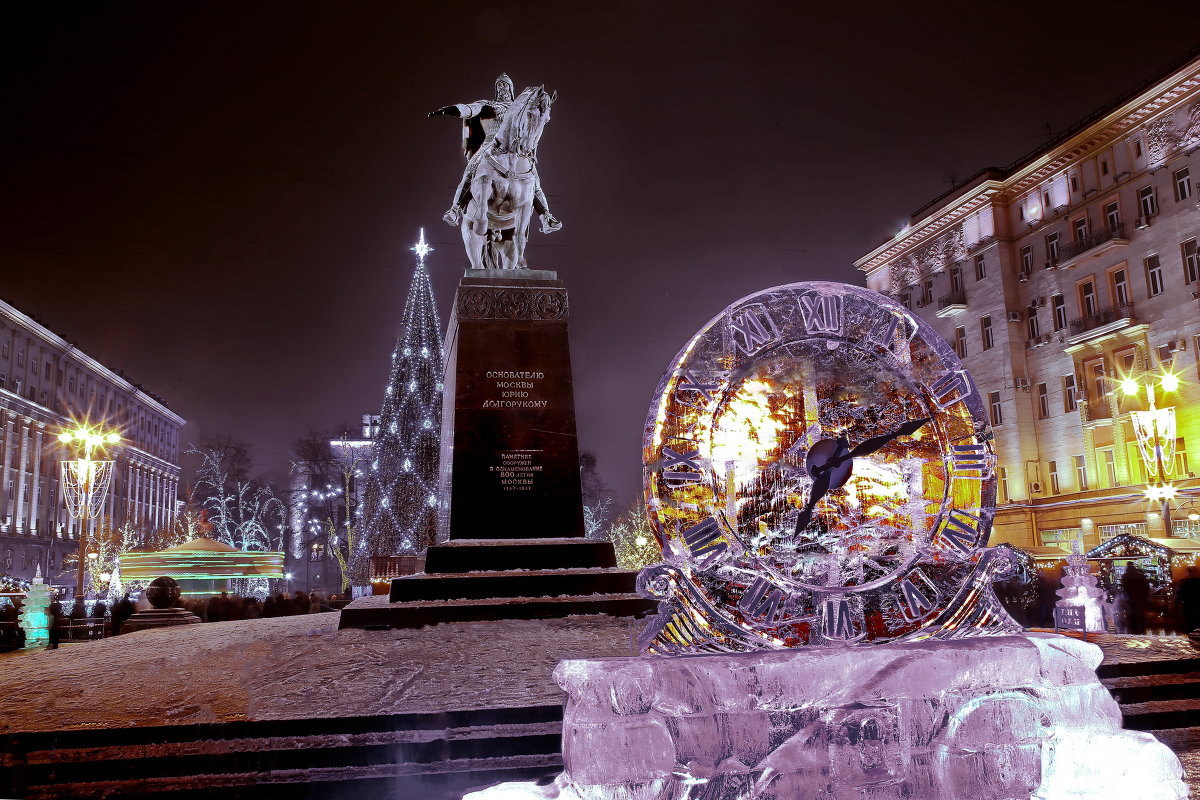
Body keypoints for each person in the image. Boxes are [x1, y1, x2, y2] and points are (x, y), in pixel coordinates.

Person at [429, 72, 561, 234]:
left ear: (511, 88)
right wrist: (452, 110)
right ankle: (456, 209)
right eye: (499, 85)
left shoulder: (519, 107)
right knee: (471, 171)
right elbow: (469, 109)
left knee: (534, 179)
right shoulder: (487, 105)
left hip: (515, 147)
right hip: (490, 145)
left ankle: (546, 217)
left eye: (505, 84)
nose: (502, 87)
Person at [1122, 564, 1151, 635]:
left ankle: (1133, 629)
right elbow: (1146, 587)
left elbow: (1125, 588)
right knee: (1140, 614)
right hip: (1140, 597)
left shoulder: (1125, 576)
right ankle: (1141, 629)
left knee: (1131, 614)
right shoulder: (1141, 576)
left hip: (1130, 598)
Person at [1175, 565, 1200, 634]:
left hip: (1188, 605)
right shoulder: (1198, 581)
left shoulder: (1184, 582)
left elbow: (1180, 594)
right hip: (1197, 605)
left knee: (1189, 624)